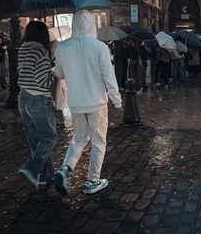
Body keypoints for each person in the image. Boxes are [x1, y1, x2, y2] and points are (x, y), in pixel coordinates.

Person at [53, 10, 123, 196]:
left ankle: (66, 168)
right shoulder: (99, 47)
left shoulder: (63, 46)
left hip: (75, 101)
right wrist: (117, 103)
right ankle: (93, 179)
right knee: (99, 141)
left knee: (79, 137)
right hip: (96, 102)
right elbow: (109, 77)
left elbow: (59, 74)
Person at [16, 21, 57, 191]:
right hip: (39, 99)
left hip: (24, 97)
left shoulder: (23, 48)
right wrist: (54, 71)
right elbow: (44, 81)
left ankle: (45, 175)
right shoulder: (40, 51)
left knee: (36, 140)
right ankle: (31, 169)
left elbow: (21, 72)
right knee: (49, 138)